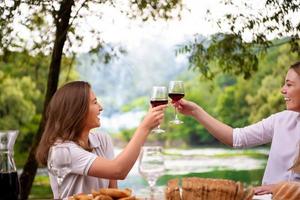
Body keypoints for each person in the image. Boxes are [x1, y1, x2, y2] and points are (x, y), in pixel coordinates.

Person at [172, 61, 300, 195]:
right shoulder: (281, 120)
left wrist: (279, 188)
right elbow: (236, 138)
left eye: (289, 84)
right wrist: (195, 111)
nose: (282, 89)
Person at [35, 81, 167, 199]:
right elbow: (118, 170)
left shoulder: (102, 140)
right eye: (94, 102)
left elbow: (113, 192)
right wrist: (144, 128)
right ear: (77, 111)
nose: (100, 107)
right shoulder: (62, 151)